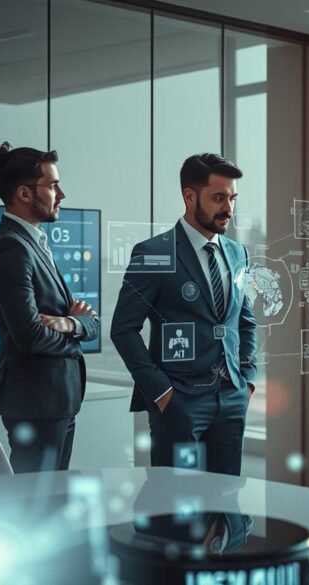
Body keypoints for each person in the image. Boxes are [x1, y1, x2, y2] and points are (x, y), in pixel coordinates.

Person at [111, 153, 257, 476]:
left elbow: (245, 321)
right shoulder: (153, 253)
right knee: (176, 499)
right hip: (179, 403)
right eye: (219, 198)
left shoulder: (238, 253)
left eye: (232, 198)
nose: (229, 208)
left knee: (226, 496)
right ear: (189, 196)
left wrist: (247, 381)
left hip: (232, 401)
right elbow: (123, 330)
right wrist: (162, 393)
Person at [0, 142, 99, 473]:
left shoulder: (34, 243)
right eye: (52, 185)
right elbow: (30, 336)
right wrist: (77, 334)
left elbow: (90, 321)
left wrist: (72, 324)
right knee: (35, 499)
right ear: (24, 193)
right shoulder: (11, 249)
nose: (61, 194)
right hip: (36, 403)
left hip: (56, 401)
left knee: (53, 496)